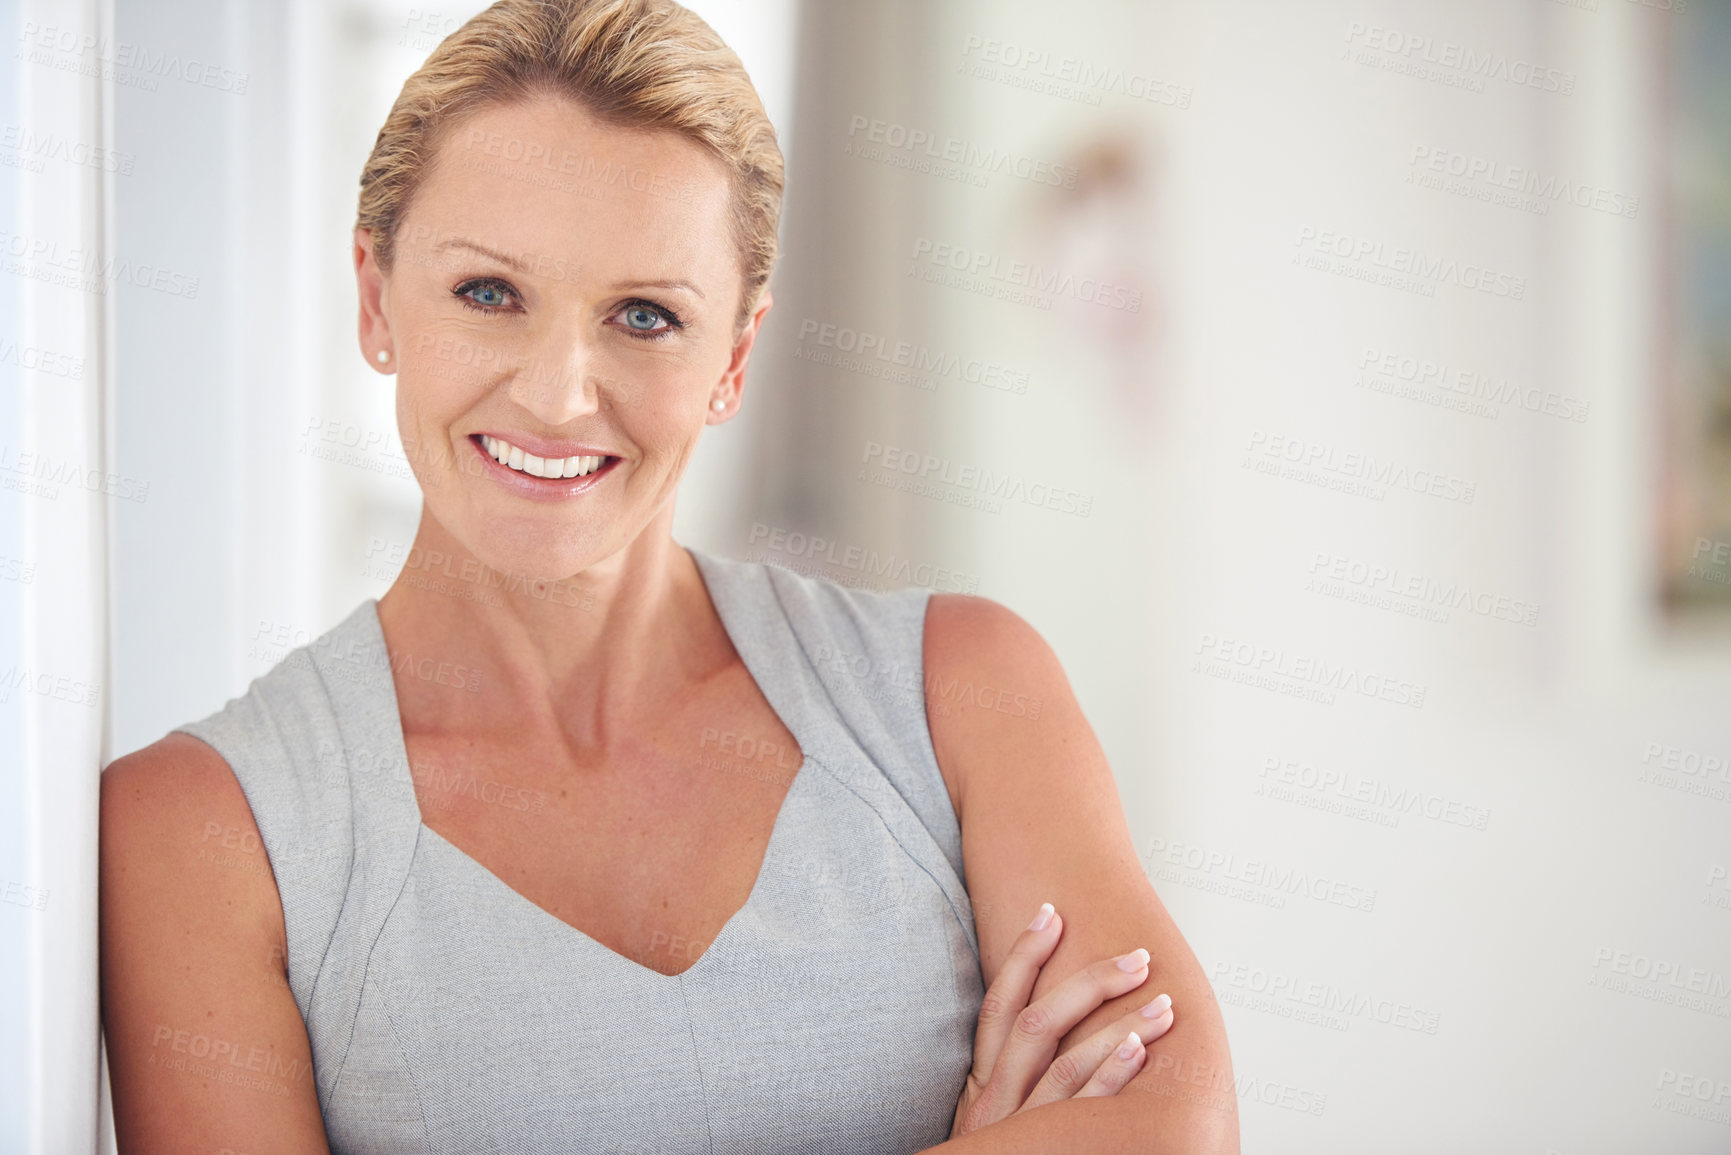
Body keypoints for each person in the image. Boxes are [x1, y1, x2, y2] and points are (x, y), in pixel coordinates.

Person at [98, 1, 1238, 1151]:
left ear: (734, 359)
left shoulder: (962, 694)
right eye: (489, 293)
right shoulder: (203, 830)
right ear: (375, 298)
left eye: (644, 316)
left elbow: (1178, 1130)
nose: (557, 394)